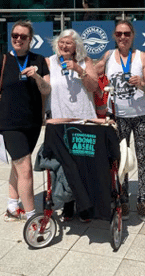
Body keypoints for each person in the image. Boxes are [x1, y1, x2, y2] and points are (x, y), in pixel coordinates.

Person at [0, 20, 51, 222]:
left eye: (23, 37)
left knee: (16, 167)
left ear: (30, 40)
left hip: (32, 124)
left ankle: (12, 207)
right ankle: (32, 216)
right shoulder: (2, 61)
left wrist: (37, 76)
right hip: (9, 125)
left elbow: (47, 90)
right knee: (26, 170)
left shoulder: (39, 60)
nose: (18, 39)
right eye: (15, 36)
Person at [95, 20, 145, 222]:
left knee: (142, 157)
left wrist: (141, 84)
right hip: (118, 117)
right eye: (119, 34)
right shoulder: (107, 57)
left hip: (142, 117)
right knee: (120, 159)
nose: (123, 37)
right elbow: (91, 75)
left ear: (132, 35)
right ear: (114, 36)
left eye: (127, 33)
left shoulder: (142, 57)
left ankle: (141, 200)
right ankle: (123, 198)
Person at [45, 29, 100, 222]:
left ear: (76, 45)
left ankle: (84, 205)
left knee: (83, 164)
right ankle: (68, 203)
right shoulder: (49, 62)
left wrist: (78, 69)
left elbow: (94, 87)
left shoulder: (86, 61)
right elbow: (43, 88)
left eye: (68, 43)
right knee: (64, 164)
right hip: (60, 122)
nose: (64, 46)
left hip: (83, 120)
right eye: (61, 42)